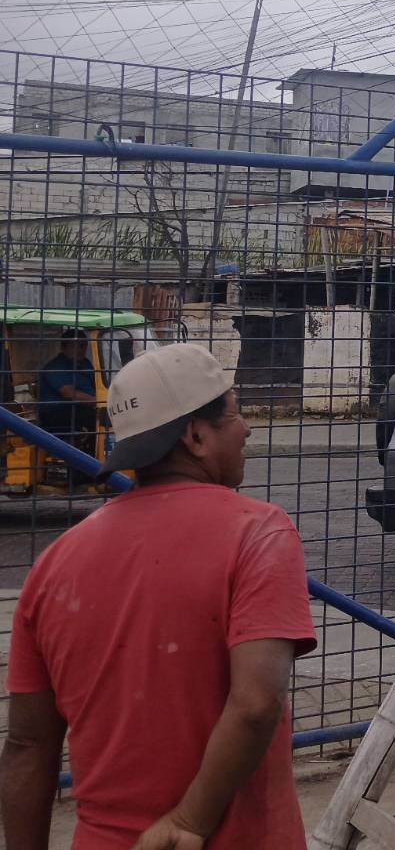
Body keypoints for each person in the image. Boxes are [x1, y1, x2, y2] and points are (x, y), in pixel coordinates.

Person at [1, 343, 317, 850]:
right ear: (196, 436)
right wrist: (190, 821)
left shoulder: (54, 565)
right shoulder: (258, 532)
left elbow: (27, 745)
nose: (246, 429)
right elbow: (257, 703)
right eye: (234, 414)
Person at [35, 331, 96, 453]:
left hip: (82, 408)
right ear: (63, 347)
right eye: (74, 346)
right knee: (94, 418)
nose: (80, 350)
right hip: (57, 413)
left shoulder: (86, 364)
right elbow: (69, 393)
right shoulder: (56, 367)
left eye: (83, 346)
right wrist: (98, 402)